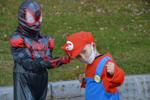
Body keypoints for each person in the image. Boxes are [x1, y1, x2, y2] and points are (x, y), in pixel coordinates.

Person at [9, 0, 70, 100]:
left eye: (39, 18)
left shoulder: (45, 40)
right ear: (23, 17)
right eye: (31, 18)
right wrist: (46, 63)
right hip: (25, 79)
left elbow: (48, 60)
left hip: (41, 79)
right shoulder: (18, 39)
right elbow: (27, 63)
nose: (36, 22)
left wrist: (62, 60)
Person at [63, 31, 125, 100]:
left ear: (93, 46)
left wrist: (114, 72)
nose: (83, 57)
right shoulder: (90, 64)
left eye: (84, 51)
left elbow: (118, 81)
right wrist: (85, 80)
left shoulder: (106, 63)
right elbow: (94, 85)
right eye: (78, 56)